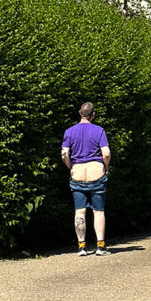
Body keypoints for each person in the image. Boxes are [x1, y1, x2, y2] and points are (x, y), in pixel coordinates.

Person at [61, 102, 111, 256]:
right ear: (93, 114)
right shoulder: (99, 131)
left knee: (80, 211)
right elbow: (106, 153)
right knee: (98, 211)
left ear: (79, 112)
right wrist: (106, 167)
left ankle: (82, 247)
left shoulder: (69, 131)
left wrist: (71, 168)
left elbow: (64, 155)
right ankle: (100, 247)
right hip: (96, 174)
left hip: (78, 174)